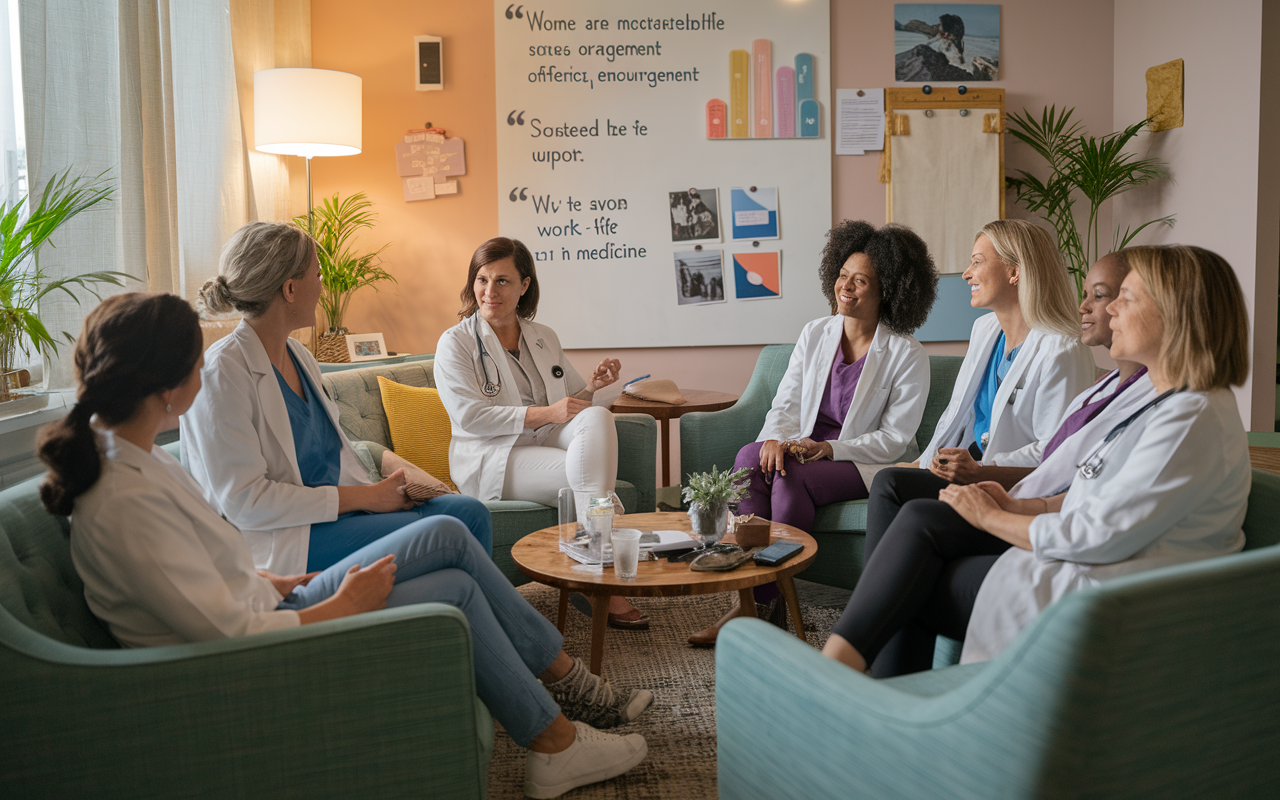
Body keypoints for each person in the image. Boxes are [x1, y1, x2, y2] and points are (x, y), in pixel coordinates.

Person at [40, 292, 655, 798]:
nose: (206, 370)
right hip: (233, 665)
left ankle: (554, 741)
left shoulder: (135, 461)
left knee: (457, 583)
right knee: (446, 532)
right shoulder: (124, 497)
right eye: (197, 361)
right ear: (167, 382)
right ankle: (564, 704)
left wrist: (274, 584)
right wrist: (340, 604)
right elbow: (224, 633)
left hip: (270, 604)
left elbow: (207, 576)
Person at [822, 244, 1250, 677]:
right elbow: (1089, 483)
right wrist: (1018, 505)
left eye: (1127, 297)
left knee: (910, 579)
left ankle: (849, 679)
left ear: (1176, 313)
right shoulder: (1164, 401)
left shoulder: (1190, 416)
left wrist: (992, 516)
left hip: (1113, 590)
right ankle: (869, 686)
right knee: (915, 525)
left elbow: (1096, 532)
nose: (1110, 308)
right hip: (1085, 554)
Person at [181, 222, 492, 581]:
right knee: (448, 532)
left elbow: (335, 456)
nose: (323, 285)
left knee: (470, 512)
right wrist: (368, 499)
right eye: (318, 274)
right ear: (291, 289)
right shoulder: (221, 372)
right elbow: (245, 503)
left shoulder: (299, 355)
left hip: (339, 515)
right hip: (284, 538)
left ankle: (459, 626)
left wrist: (384, 490)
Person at [688, 221, 939, 646]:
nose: (847, 287)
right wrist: (773, 438)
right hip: (801, 447)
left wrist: (829, 448)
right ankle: (761, 605)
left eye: (861, 281)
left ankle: (761, 605)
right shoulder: (815, 332)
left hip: (861, 460)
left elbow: (896, 439)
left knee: (792, 477)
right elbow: (785, 403)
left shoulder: (907, 353)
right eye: (843, 276)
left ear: (889, 290)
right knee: (749, 459)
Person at [434, 237, 647, 629]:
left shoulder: (542, 335)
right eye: (482, 280)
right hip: (494, 455)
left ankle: (589, 563)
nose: (489, 291)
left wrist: (594, 387)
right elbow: (470, 417)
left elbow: (569, 404)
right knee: (589, 479)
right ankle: (600, 571)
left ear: (524, 286)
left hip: (546, 439)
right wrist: (550, 412)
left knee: (598, 418)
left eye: (502, 281)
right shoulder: (456, 343)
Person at [863, 219, 1096, 575]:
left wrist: (982, 469)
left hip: (1010, 481)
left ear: (1015, 272)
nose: (966, 274)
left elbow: (1055, 450)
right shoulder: (985, 329)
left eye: (977, 261)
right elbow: (956, 414)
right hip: (971, 465)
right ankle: (880, 593)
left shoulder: (1062, 350)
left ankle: (879, 601)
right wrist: (925, 461)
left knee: (895, 490)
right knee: (891, 480)